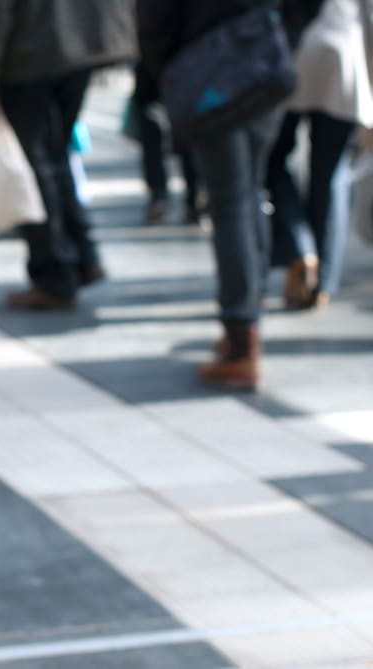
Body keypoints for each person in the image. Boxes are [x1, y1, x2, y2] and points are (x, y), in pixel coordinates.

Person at [138, 0, 290, 390]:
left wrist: (166, 70)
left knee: (231, 202)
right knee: (249, 192)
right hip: (261, 62)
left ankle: (242, 335)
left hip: (209, 69)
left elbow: (155, 20)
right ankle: (247, 322)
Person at [0, 0, 137, 310]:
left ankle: (56, 272)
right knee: (54, 156)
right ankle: (81, 256)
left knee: (37, 164)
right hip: (78, 45)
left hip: (29, 54)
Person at [266, 0, 372, 309]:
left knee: (274, 158)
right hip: (343, 55)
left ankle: (300, 248)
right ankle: (322, 280)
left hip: (291, 49)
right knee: (331, 171)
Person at [131, 62, 204, 226]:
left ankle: (161, 194)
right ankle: (193, 194)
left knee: (153, 134)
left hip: (156, 66)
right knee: (188, 131)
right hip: (186, 66)